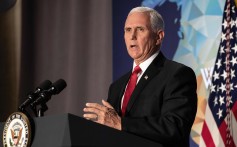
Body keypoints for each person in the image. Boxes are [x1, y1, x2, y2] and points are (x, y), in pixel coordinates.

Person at [83, 6, 197, 147]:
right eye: (128, 30)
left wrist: (121, 123)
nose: (132, 36)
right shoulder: (117, 86)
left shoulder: (177, 74)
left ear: (158, 37)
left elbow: (175, 127)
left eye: (140, 29)